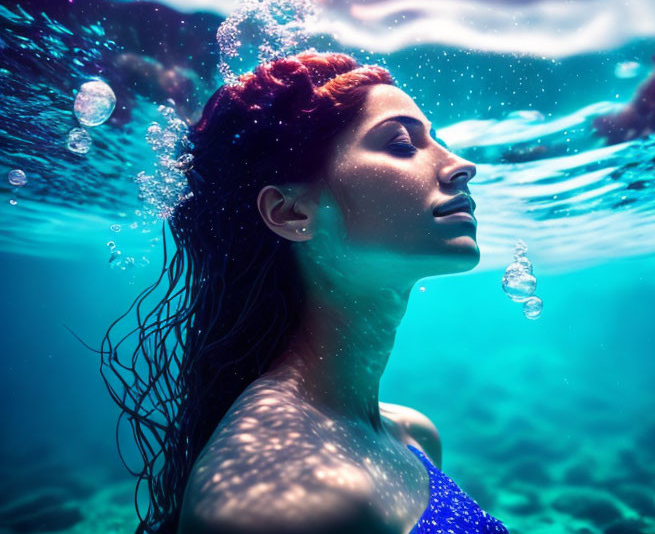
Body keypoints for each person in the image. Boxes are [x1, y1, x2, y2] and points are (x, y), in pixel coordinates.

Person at [101, 52, 510, 534]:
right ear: (292, 213)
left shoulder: (410, 434)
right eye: (401, 144)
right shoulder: (274, 503)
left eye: (434, 139)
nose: (462, 166)